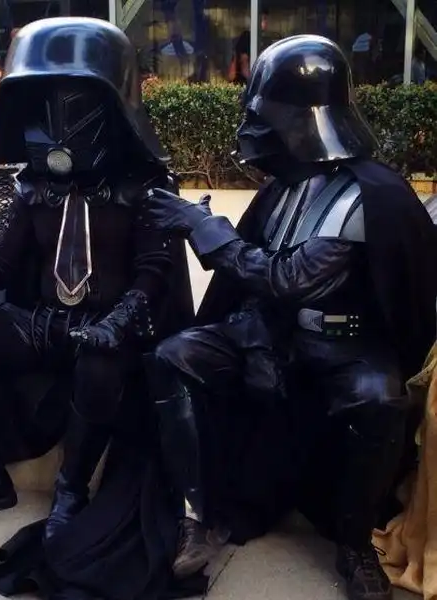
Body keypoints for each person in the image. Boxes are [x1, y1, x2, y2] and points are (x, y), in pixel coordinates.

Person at [142, 35, 437, 600]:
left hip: (347, 347)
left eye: (265, 118)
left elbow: (289, 278)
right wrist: (254, 340)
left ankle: (355, 544)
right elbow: (258, 286)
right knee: (173, 357)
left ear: (299, 121)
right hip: (275, 334)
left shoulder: (368, 194)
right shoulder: (282, 189)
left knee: (378, 399)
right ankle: (194, 515)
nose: (252, 132)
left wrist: (203, 228)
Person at [0, 17, 192, 541]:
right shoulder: (35, 185)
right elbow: (2, 256)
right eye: (44, 107)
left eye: (74, 106)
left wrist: (117, 323)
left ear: (111, 107)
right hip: (43, 323)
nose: (57, 127)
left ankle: (71, 489)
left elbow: (154, 272)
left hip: (108, 327)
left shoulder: (143, 187)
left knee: (101, 365)